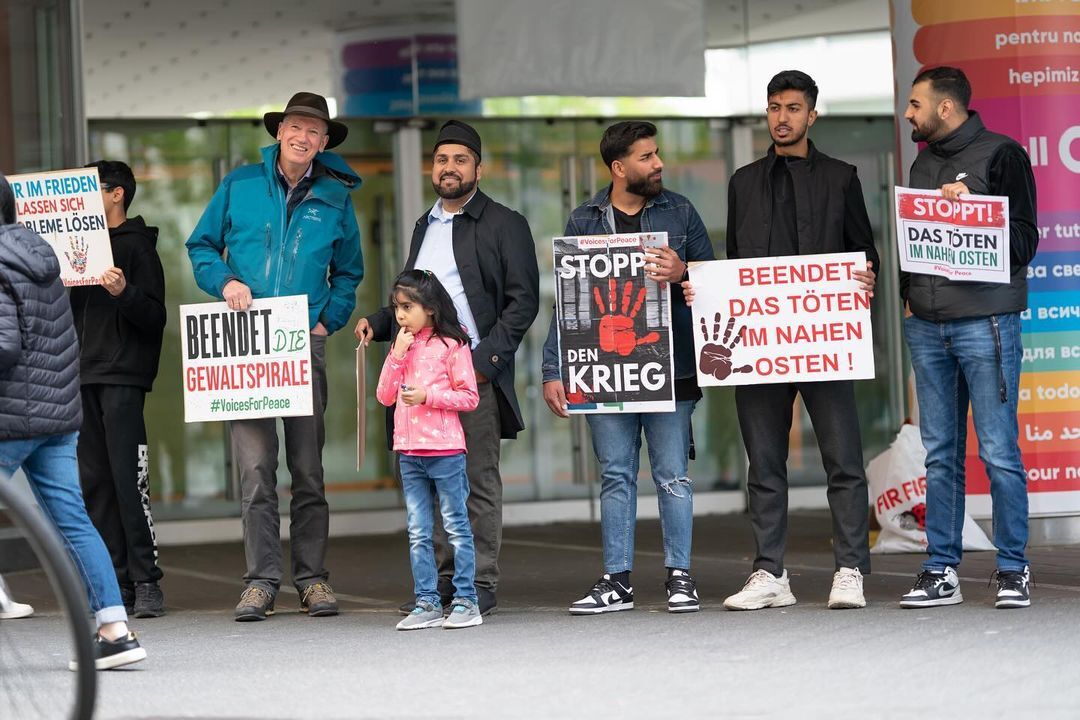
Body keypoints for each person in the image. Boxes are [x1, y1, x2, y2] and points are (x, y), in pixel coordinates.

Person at [186, 91, 364, 621]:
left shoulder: (335, 197)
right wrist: (226, 282)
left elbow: (349, 272)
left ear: (324, 141)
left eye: (314, 130)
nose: (303, 136)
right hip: (246, 346)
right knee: (258, 471)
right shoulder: (239, 184)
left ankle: (312, 580)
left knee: (308, 469)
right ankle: (261, 581)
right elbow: (200, 247)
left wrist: (326, 320)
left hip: (302, 343)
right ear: (279, 131)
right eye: (295, 126)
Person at [356, 120, 539, 617]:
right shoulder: (424, 225)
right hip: (420, 376)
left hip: (468, 376)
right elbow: (419, 298)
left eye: (461, 159)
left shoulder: (505, 223)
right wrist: (378, 320)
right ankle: (440, 584)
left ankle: (478, 582)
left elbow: (523, 304)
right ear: (431, 167)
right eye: (442, 159)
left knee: (476, 481)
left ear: (478, 168)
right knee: (432, 483)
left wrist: (483, 365)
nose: (450, 167)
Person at [719, 70, 879, 611]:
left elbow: (865, 252)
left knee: (843, 458)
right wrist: (711, 295)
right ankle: (770, 573)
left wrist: (868, 275)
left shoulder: (842, 177)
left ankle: (851, 569)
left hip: (823, 337)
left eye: (792, 108)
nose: (781, 117)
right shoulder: (742, 181)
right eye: (773, 108)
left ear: (812, 115)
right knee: (763, 462)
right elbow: (735, 266)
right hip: (760, 341)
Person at [541, 120, 715, 614]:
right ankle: (616, 580)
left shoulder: (681, 210)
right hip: (603, 369)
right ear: (619, 168)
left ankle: (680, 577)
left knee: (672, 475)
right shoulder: (585, 219)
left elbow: (712, 280)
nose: (658, 164)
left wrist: (684, 271)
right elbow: (568, 301)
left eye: (657, 154)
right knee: (616, 475)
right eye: (646, 157)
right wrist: (554, 368)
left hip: (672, 368)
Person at [898, 66, 1038, 609]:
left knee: (998, 450)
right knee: (940, 454)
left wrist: (975, 215)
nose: (909, 113)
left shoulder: (1003, 154)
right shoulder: (922, 160)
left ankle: (1012, 568)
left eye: (915, 104)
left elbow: (1026, 240)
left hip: (986, 323)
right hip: (927, 327)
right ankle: (940, 568)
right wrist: (910, 295)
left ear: (946, 108)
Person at [0, 171, 146, 669]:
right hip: (57, 416)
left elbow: (4, 345)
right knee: (74, 521)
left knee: (73, 520)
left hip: (10, 417)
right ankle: (115, 631)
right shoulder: (41, 257)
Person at [72, 160, 166, 618]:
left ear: (116, 195)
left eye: (93, 189)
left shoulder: (138, 248)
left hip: (122, 376)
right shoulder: (71, 247)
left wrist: (123, 292)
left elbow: (154, 317)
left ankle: (146, 581)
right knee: (96, 485)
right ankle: (116, 584)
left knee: (130, 481)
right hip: (78, 376)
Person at [376, 270, 482, 630]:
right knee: (418, 530)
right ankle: (426, 602)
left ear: (431, 308)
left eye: (408, 306)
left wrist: (428, 396)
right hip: (409, 451)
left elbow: (469, 397)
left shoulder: (453, 346)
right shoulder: (403, 346)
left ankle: (467, 600)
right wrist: (396, 355)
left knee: (456, 526)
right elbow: (384, 396)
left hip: (446, 450)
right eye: (396, 308)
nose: (400, 315)